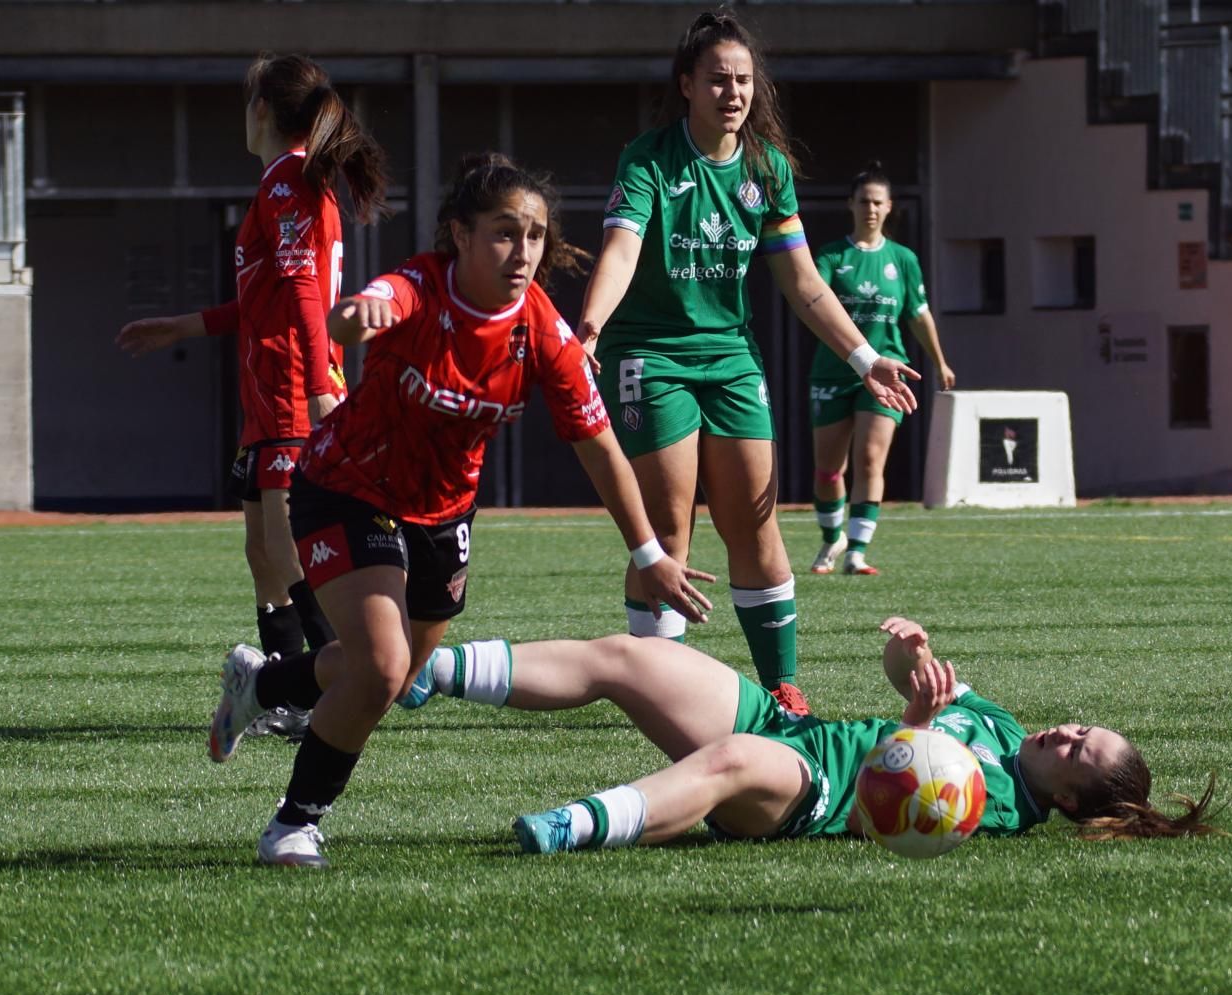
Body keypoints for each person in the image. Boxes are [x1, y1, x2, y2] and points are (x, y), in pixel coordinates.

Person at [211, 152, 717, 869]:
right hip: (345, 488)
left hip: (443, 517)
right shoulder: (421, 285)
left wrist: (649, 556)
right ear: (461, 234)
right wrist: (356, 316)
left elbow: (599, 444)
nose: (524, 252)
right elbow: (358, 312)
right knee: (382, 667)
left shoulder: (541, 328)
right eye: (506, 233)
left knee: (383, 676)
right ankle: (292, 825)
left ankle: (262, 683)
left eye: (535, 235)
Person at [575, 10, 920, 709]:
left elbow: (802, 283)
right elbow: (621, 250)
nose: (732, 92)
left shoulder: (767, 168)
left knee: (753, 518)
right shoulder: (648, 159)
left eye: (742, 80)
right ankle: (656, 683)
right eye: (716, 80)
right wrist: (587, 329)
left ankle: (782, 682)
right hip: (651, 353)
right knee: (670, 525)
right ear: (687, 85)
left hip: (731, 355)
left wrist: (865, 357)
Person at [402, 618, 1218, 853]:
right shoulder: (1002, 729)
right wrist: (909, 659)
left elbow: (882, 811)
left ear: (1070, 799)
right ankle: (428, 671)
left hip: (811, 793)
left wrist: (916, 729)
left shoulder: (1000, 806)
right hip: (794, 725)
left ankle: (571, 825)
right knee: (635, 655)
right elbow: (913, 681)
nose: (1064, 732)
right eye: (1080, 726)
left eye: (1077, 750)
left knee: (729, 762)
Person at [116, 55, 389, 678]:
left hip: (294, 387)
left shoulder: (287, 181)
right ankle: (288, 682)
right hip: (271, 394)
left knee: (289, 551)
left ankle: (335, 680)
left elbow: (299, 291)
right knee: (263, 552)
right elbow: (270, 295)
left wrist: (321, 386)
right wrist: (188, 325)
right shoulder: (290, 181)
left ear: (261, 109)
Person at [807, 163, 954, 577]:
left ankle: (856, 551)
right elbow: (813, 300)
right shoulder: (833, 256)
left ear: (889, 208)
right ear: (850, 205)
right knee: (828, 470)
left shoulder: (903, 260)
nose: (870, 209)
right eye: (863, 201)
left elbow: (919, 314)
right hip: (833, 372)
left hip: (886, 372)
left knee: (871, 458)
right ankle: (831, 536)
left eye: (878, 202)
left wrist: (939, 360)